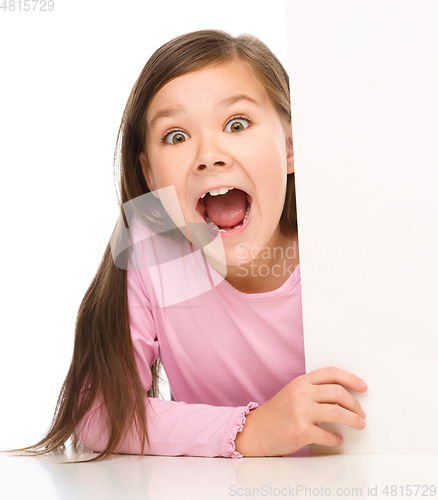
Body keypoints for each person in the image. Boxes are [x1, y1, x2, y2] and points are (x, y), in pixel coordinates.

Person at [9, 29, 367, 462]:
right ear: (150, 177)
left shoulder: (349, 241)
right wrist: (249, 432)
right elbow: (100, 410)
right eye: (176, 136)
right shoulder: (152, 243)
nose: (209, 154)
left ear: (291, 146)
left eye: (237, 124)